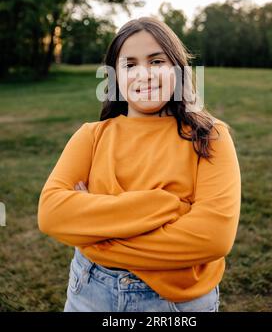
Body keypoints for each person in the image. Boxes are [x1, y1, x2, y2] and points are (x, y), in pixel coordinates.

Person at [37, 16, 241, 312]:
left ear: (177, 68)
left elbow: (212, 239)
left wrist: (96, 236)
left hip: (177, 303)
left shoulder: (209, 137)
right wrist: (167, 205)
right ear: (115, 76)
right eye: (129, 65)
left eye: (157, 61)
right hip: (91, 291)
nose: (144, 74)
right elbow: (52, 214)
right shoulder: (91, 137)